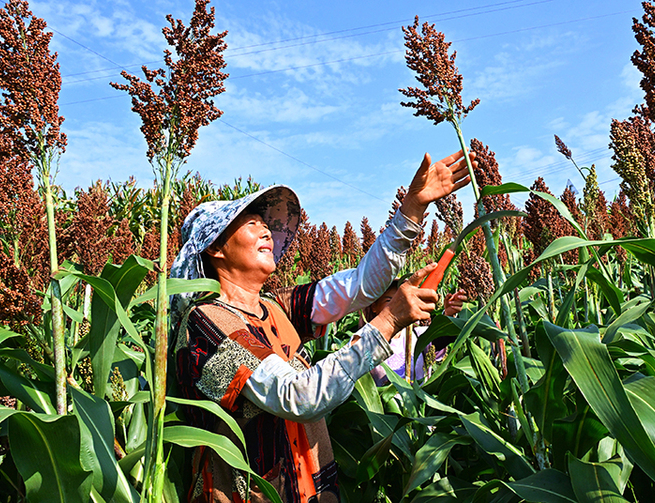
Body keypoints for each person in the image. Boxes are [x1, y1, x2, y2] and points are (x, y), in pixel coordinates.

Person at [169, 150, 477, 503]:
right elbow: (297, 397)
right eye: (251, 223)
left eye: (266, 223)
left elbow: (362, 284)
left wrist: (411, 209)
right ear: (214, 248)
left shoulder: (275, 308)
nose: (266, 229)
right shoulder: (208, 323)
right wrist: (389, 320)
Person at [363, 283, 468, 385]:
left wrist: (448, 315)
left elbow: (441, 336)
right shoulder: (365, 343)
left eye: (401, 301)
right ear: (374, 307)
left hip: (415, 402)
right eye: (389, 300)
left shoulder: (417, 336)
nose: (396, 306)